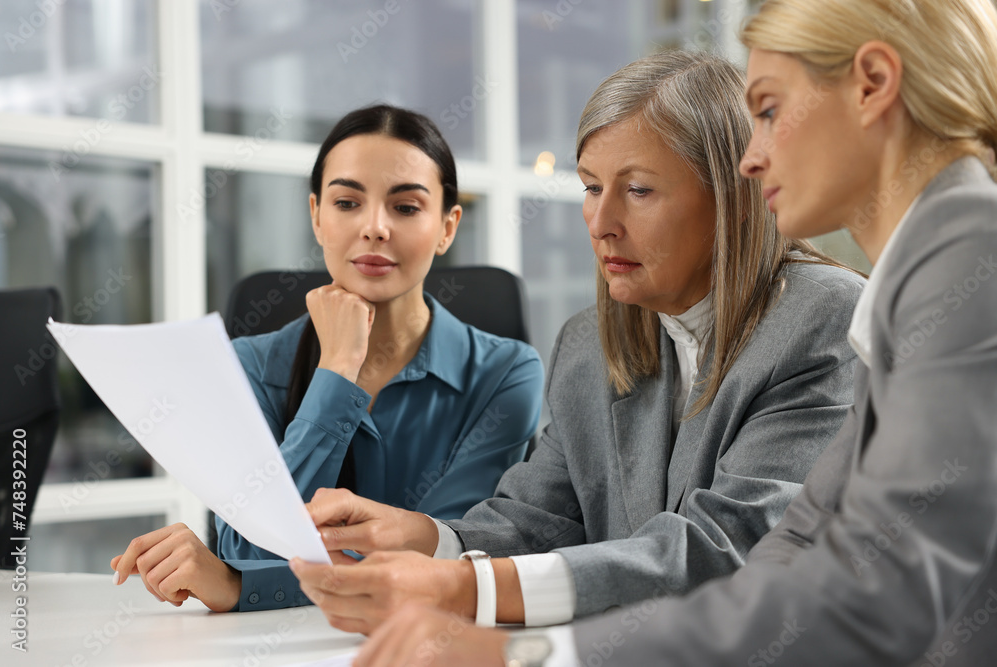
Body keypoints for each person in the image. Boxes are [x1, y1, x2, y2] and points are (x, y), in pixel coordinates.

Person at [344, 0, 997, 664]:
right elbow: (789, 558)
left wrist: (525, 654)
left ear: (873, 84)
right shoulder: (929, 268)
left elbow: (855, 587)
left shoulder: (965, 253)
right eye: (591, 188)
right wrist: (435, 548)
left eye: (768, 111)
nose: (753, 158)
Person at [288, 50, 866, 636]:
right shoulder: (588, 342)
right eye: (591, 187)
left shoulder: (823, 318)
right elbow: (540, 518)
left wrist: (464, 588)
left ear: (731, 196)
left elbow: (725, 550)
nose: (600, 221)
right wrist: (423, 536)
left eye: (638, 190)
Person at [108, 105, 545, 613]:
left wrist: (240, 585)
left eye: (405, 207)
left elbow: (452, 559)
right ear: (317, 215)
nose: (375, 227)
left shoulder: (506, 373)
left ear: (447, 227)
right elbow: (248, 545)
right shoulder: (248, 364)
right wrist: (337, 368)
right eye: (347, 202)